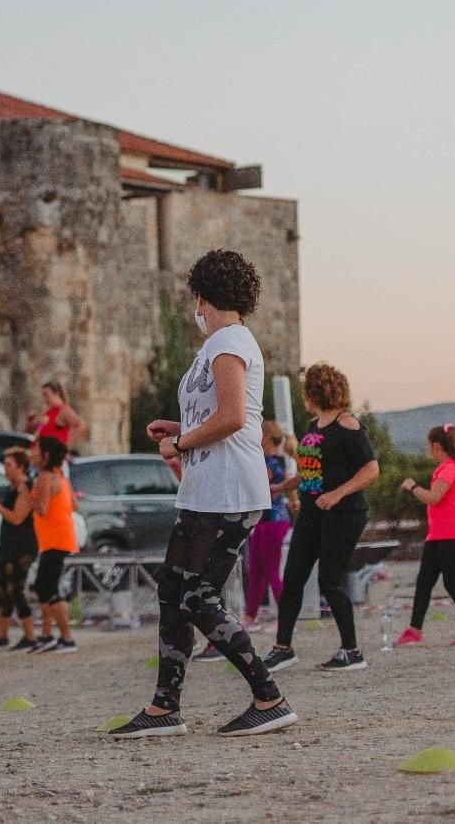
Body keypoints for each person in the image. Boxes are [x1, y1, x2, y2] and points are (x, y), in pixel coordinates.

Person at [112, 248, 295, 739]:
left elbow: (235, 418)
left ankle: (269, 696)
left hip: (229, 491)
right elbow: (228, 416)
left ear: (202, 295)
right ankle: (163, 708)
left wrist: (181, 442)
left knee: (198, 595)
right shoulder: (216, 344)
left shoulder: (229, 342)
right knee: (173, 590)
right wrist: (181, 426)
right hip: (203, 490)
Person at [265, 363, 380, 674]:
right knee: (293, 578)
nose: (303, 394)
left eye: (305, 389)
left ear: (315, 391)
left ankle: (352, 651)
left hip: (343, 513)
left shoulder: (348, 425)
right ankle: (282, 648)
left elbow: (371, 469)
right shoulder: (315, 425)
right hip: (313, 511)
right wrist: (280, 487)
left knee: (330, 581)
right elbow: (309, 472)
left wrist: (338, 493)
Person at [394, 425, 455, 647]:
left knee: (452, 584)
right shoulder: (446, 468)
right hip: (438, 534)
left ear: (436, 446)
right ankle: (415, 629)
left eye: (429, 446)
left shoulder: (450, 469)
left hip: (454, 534)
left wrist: (412, 487)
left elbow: (434, 497)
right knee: (424, 582)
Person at [0, 446, 38, 651]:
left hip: (21, 548)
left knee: (16, 590)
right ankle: (2, 634)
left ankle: (30, 635)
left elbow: (17, 517)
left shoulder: (24, 488)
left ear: (20, 467)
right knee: (4, 590)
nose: (5, 469)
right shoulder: (14, 488)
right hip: (8, 546)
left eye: (9, 465)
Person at [243, 421, 297, 627]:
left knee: (272, 570)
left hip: (274, 521)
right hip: (263, 521)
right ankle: (250, 616)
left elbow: (260, 487)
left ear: (265, 436)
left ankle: (285, 618)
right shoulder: (273, 461)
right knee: (256, 570)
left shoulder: (271, 462)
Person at [28, 436, 78, 655]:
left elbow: (41, 508)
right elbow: (74, 504)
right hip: (59, 537)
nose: (32, 454)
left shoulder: (46, 476)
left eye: (35, 450)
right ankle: (47, 635)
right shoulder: (60, 475)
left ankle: (67, 638)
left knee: (46, 588)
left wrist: (26, 494)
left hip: (55, 540)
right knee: (44, 587)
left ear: (46, 455)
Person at [28, 380, 87, 448]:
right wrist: (30, 422)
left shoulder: (64, 411)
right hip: (38, 454)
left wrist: (65, 447)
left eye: (46, 395)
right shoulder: (47, 413)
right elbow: (38, 433)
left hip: (52, 455)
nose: (44, 399)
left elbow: (81, 427)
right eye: (43, 395)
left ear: (57, 393)